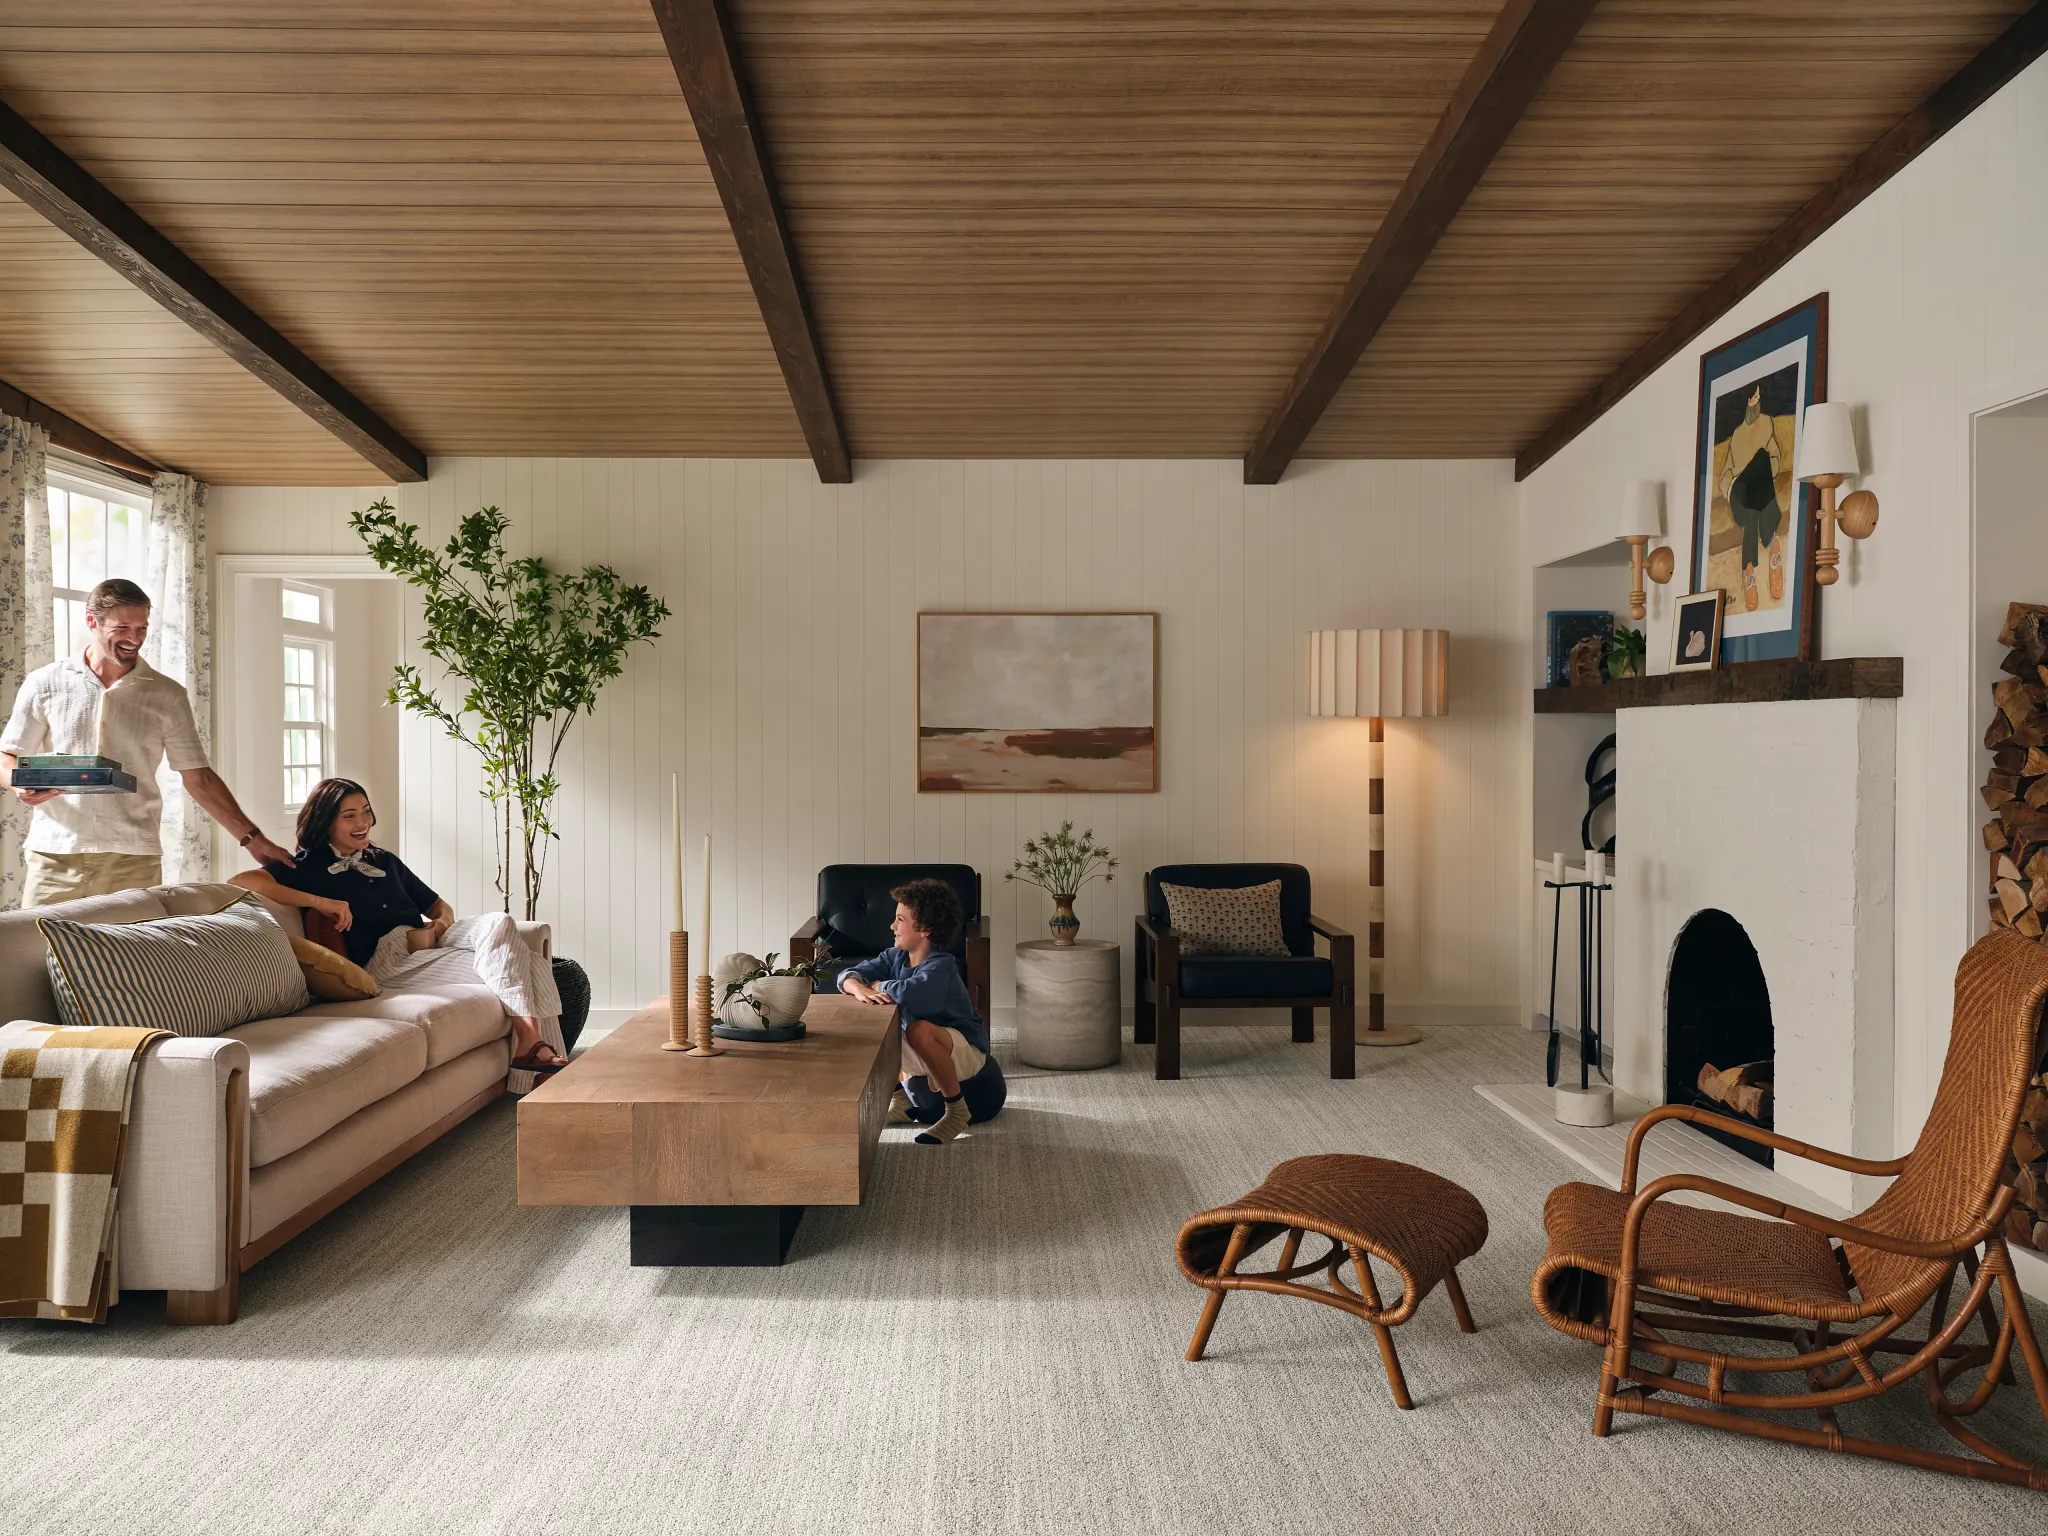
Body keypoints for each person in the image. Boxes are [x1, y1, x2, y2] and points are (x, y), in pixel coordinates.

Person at [229, 777, 569, 1077]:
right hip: (386, 961)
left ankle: (532, 1053)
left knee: (500, 921)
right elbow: (242, 880)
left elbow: (438, 906)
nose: (362, 822)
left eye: (366, 812)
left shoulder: (384, 860)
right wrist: (319, 902)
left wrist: (441, 923)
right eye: (349, 816)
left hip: (424, 942)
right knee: (527, 962)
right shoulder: (309, 865)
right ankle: (535, 1060)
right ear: (326, 820)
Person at [1, 577, 292, 907]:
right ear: (92, 621)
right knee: (37, 941)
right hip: (53, 855)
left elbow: (199, 777)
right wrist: (19, 782)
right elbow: (7, 756)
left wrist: (253, 839)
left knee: (133, 943)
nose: (135, 638)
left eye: (142, 628)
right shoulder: (44, 683)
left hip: (132, 859)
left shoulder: (166, 695)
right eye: (123, 628)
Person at [838, 877, 1006, 1145]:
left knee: (918, 1029)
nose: (892, 926)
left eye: (900, 920)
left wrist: (878, 985)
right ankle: (901, 1101)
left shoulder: (942, 966)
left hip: (966, 1053)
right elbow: (847, 974)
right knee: (872, 1018)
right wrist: (859, 989)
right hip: (926, 1051)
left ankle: (957, 1112)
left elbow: (910, 994)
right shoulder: (895, 957)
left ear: (925, 929)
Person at [1717, 384, 1787, 612]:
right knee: (1760, 461)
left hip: (1757, 494)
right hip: (1739, 492)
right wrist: (1731, 489)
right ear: (1747, 401)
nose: (1757, 401)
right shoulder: (1737, 434)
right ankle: (1772, 542)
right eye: (1753, 397)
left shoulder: (1766, 423)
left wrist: (1764, 472)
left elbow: (1774, 457)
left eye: (1759, 396)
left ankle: (1749, 571)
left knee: (1762, 458)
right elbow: (1726, 474)